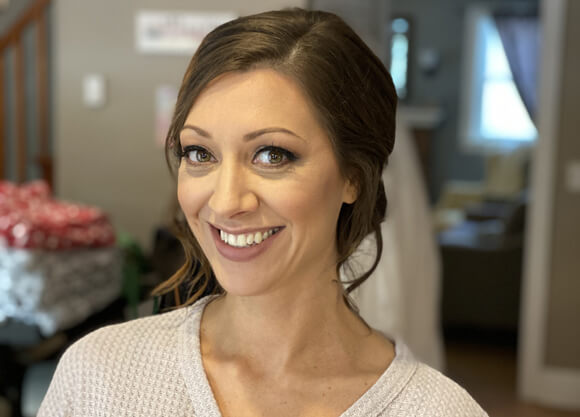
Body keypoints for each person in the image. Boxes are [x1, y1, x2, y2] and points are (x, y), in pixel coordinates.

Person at [39, 8, 487, 416]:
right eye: (200, 153)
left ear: (353, 176)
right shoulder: (98, 377)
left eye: (272, 155)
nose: (226, 201)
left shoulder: (437, 410)